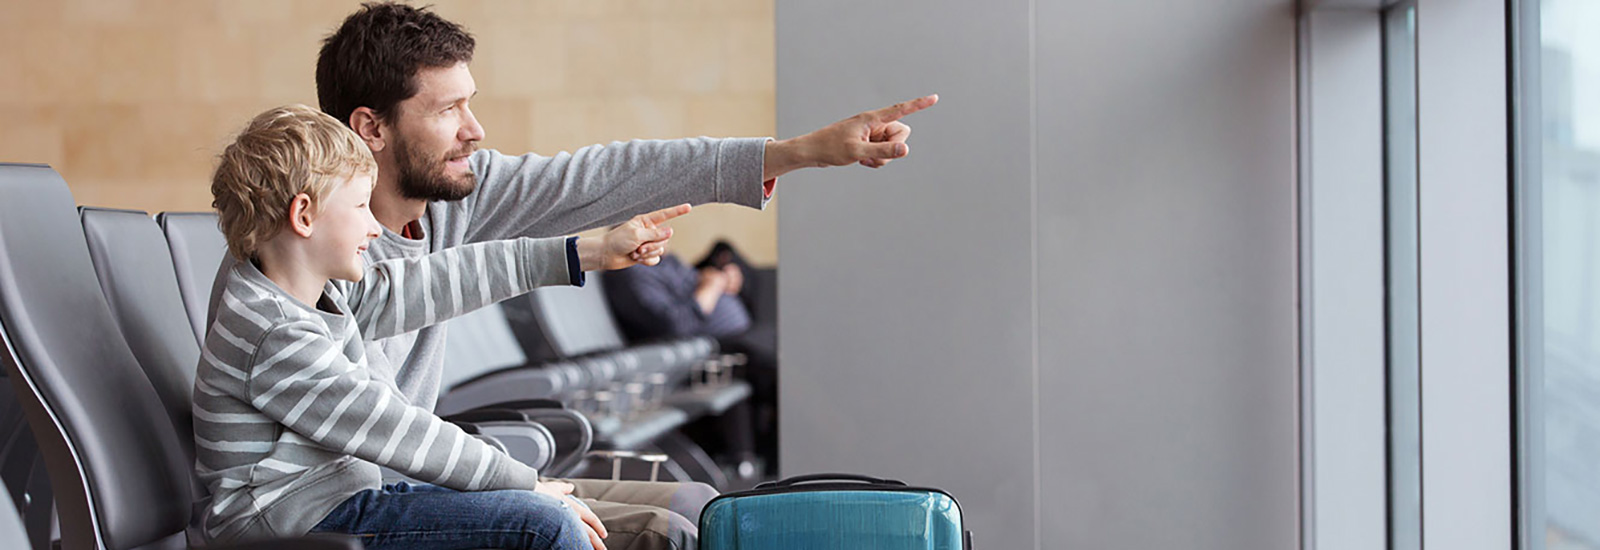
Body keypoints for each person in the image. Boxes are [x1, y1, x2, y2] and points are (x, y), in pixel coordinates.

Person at [210, 0, 935, 544]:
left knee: (685, 516)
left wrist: (795, 152)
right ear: (370, 129)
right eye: (452, 109)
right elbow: (394, 429)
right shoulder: (307, 271)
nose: (476, 129)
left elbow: (477, 258)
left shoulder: (401, 228)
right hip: (364, 495)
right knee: (586, 526)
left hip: (408, 478)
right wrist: (531, 485)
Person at [193, 104, 690, 549]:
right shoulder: (272, 331)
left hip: (339, 501)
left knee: (547, 515)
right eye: (361, 206)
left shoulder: (318, 291)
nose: (374, 226)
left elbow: (446, 277)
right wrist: (524, 483)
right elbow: (390, 426)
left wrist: (588, 252)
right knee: (545, 525)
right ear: (304, 215)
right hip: (291, 525)